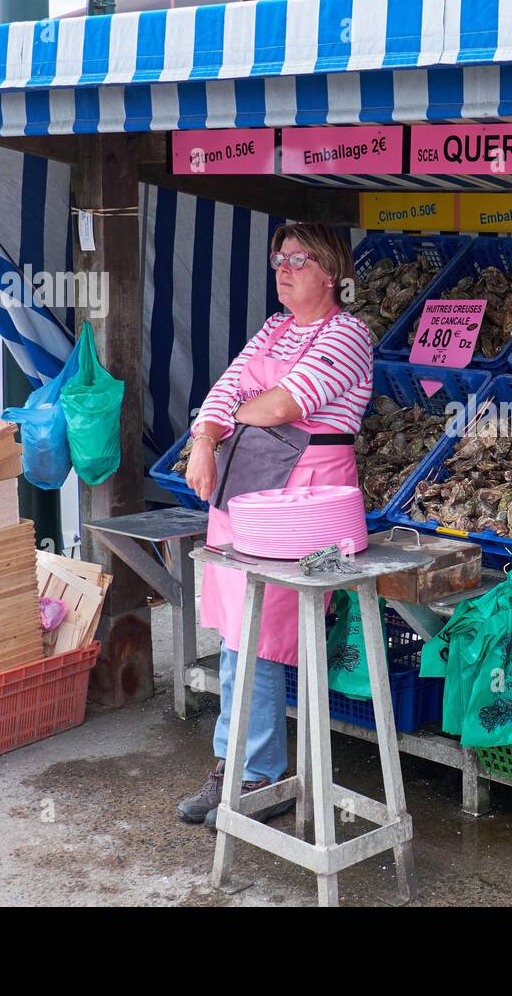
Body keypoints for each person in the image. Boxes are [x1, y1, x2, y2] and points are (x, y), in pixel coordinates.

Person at [176, 223, 373, 828]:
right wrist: (207, 439)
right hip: (249, 487)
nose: (283, 269)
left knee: (260, 633)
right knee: (238, 631)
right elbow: (224, 391)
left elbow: (285, 404)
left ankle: (257, 775)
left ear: (332, 272)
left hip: (307, 499)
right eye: (278, 259)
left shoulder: (349, 334)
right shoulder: (274, 328)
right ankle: (233, 767)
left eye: (299, 259)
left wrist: (224, 421)